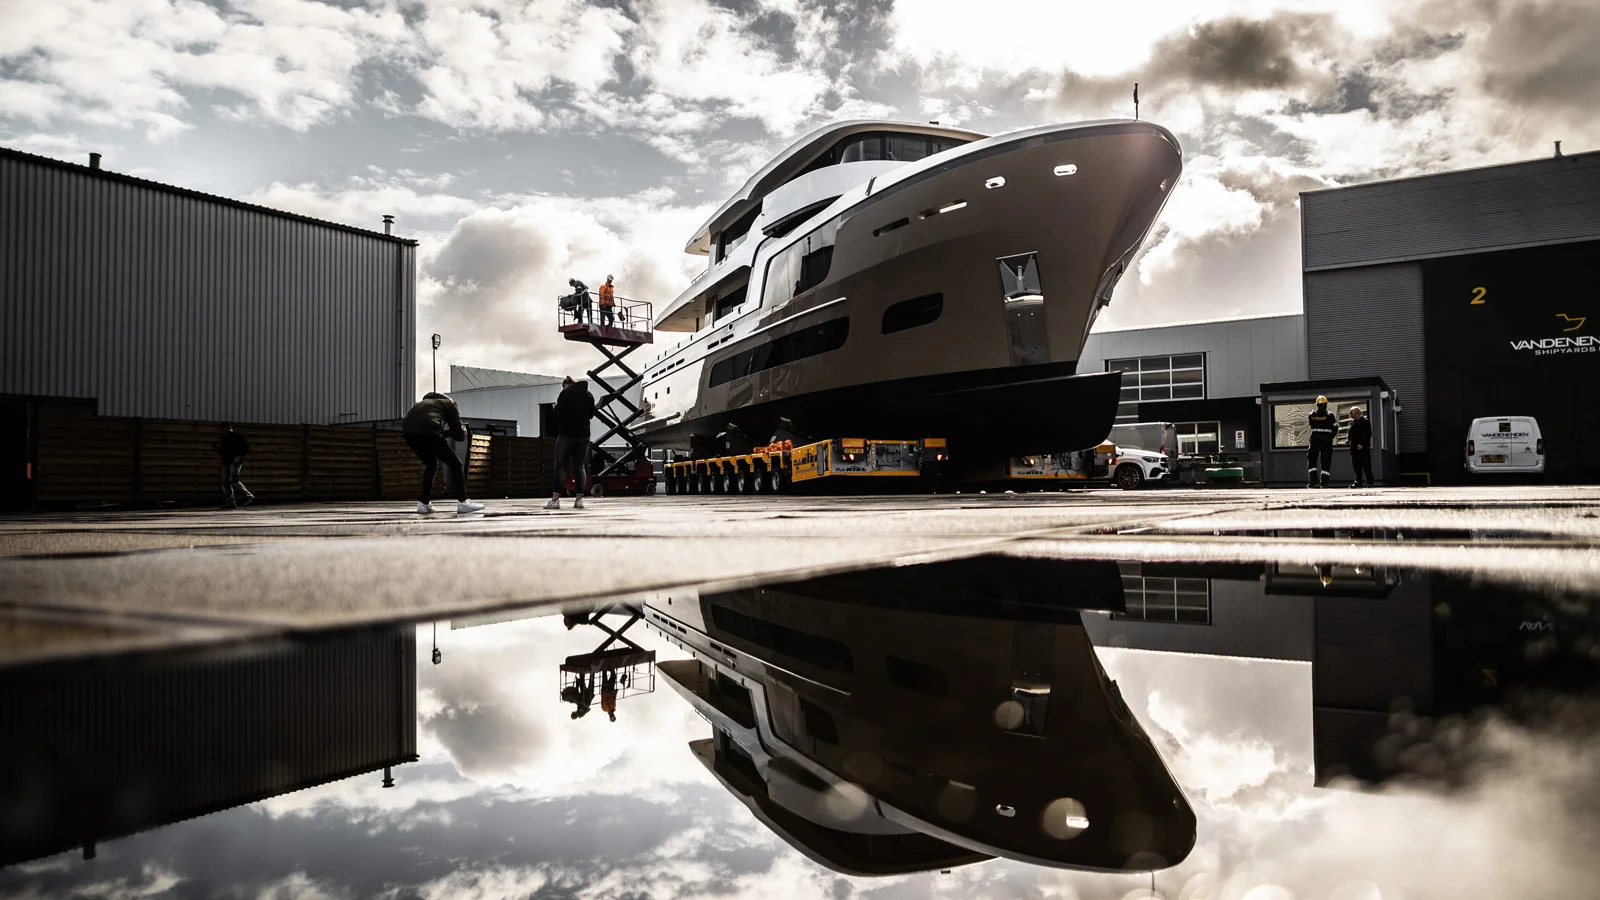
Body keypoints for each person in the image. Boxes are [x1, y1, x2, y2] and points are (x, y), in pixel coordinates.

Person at [402, 392, 485, 515]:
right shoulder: (450, 404)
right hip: (429, 431)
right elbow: (459, 436)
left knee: (431, 465)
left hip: (409, 433)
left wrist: (449, 433)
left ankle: (424, 504)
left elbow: (433, 431)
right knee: (456, 465)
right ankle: (463, 502)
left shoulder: (426, 404)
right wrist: (462, 431)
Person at [547, 375, 595, 510]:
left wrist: (555, 408)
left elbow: (558, 414)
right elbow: (591, 414)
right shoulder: (589, 395)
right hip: (584, 436)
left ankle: (555, 500)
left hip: (566, 435)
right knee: (580, 467)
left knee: (560, 466)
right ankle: (579, 500)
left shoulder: (565, 394)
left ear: (567, 385)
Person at [213, 424, 255, 509]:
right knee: (225, 482)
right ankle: (231, 502)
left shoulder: (238, 436)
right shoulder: (224, 439)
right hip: (226, 462)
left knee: (233, 481)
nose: (223, 431)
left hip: (235, 462)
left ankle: (248, 495)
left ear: (229, 428)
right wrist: (216, 449)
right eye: (222, 429)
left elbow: (247, 447)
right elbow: (223, 452)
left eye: (224, 429)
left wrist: (239, 456)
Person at [1306, 395, 1338, 488]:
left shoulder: (1311, 415)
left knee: (1312, 460)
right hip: (1326, 441)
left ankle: (1313, 482)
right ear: (1326, 404)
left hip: (1315, 440)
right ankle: (1324, 483)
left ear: (1317, 405)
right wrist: (1329, 437)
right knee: (1326, 461)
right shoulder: (1330, 415)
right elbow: (1335, 428)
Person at [1348, 406, 1374, 488]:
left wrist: (1362, 444)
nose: (1350, 415)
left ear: (1356, 413)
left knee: (1366, 465)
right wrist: (1349, 440)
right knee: (1356, 466)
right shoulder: (1352, 423)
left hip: (1363, 448)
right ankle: (1358, 482)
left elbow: (1368, 434)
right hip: (1354, 448)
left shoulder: (1365, 422)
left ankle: (1369, 482)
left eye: (1351, 413)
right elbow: (1351, 434)